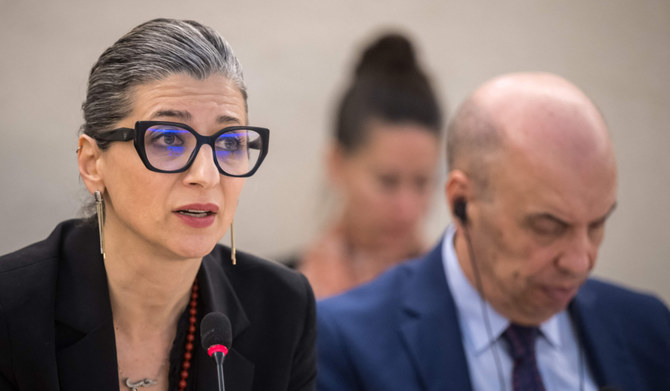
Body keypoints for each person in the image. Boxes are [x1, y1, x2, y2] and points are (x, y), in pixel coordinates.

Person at [0, 19, 315, 391]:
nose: (206, 175)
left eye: (229, 143)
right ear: (91, 163)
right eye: (168, 139)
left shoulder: (283, 308)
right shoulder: (10, 310)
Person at [316, 72, 670, 390]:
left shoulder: (648, 327)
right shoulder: (345, 343)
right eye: (548, 226)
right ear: (463, 202)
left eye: (597, 224)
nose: (579, 262)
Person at [290, 32, 444, 299]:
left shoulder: (458, 298)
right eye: (387, 181)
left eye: (422, 182)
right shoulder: (279, 294)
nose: (406, 210)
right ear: (337, 163)